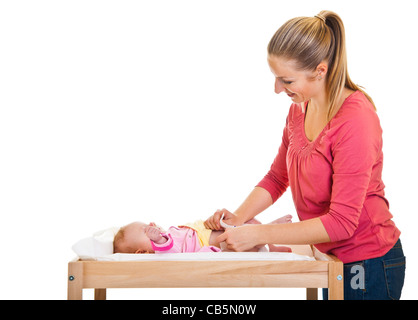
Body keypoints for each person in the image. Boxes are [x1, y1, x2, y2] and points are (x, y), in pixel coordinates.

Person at [204, 10, 406, 300]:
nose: (277, 89)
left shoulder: (356, 121)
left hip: (368, 263)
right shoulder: (300, 108)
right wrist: (238, 219)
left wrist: (258, 235)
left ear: (320, 71)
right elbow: (276, 178)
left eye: (286, 80)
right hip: (330, 259)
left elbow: (341, 222)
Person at [113, 215, 292, 254]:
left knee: (249, 221)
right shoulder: (160, 249)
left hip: (204, 232)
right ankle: (270, 231)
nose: (150, 226)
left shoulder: (167, 233)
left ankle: (272, 244)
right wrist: (158, 239)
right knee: (239, 237)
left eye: (147, 224)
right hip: (207, 242)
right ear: (141, 252)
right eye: (145, 231)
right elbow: (170, 249)